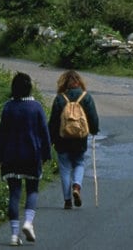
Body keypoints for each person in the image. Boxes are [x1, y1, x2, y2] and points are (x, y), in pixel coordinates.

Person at [0, 72, 51, 246]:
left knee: (14, 193)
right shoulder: (36, 107)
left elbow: (1, 135)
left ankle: (13, 235)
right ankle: (28, 222)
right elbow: (44, 133)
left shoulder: (8, 107)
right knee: (32, 190)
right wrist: (46, 154)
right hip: (31, 155)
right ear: (29, 88)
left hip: (10, 156)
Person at [48, 70, 100, 209]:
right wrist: (94, 130)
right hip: (79, 138)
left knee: (64, 168)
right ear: (79, 82)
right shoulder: (86, 97)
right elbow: (93, 118)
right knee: (79, 163)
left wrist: (51, 139)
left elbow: (53, 121)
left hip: (62, 138)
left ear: (64, 83)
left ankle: (67, 201)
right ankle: (76, 186)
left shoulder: (60, 98)